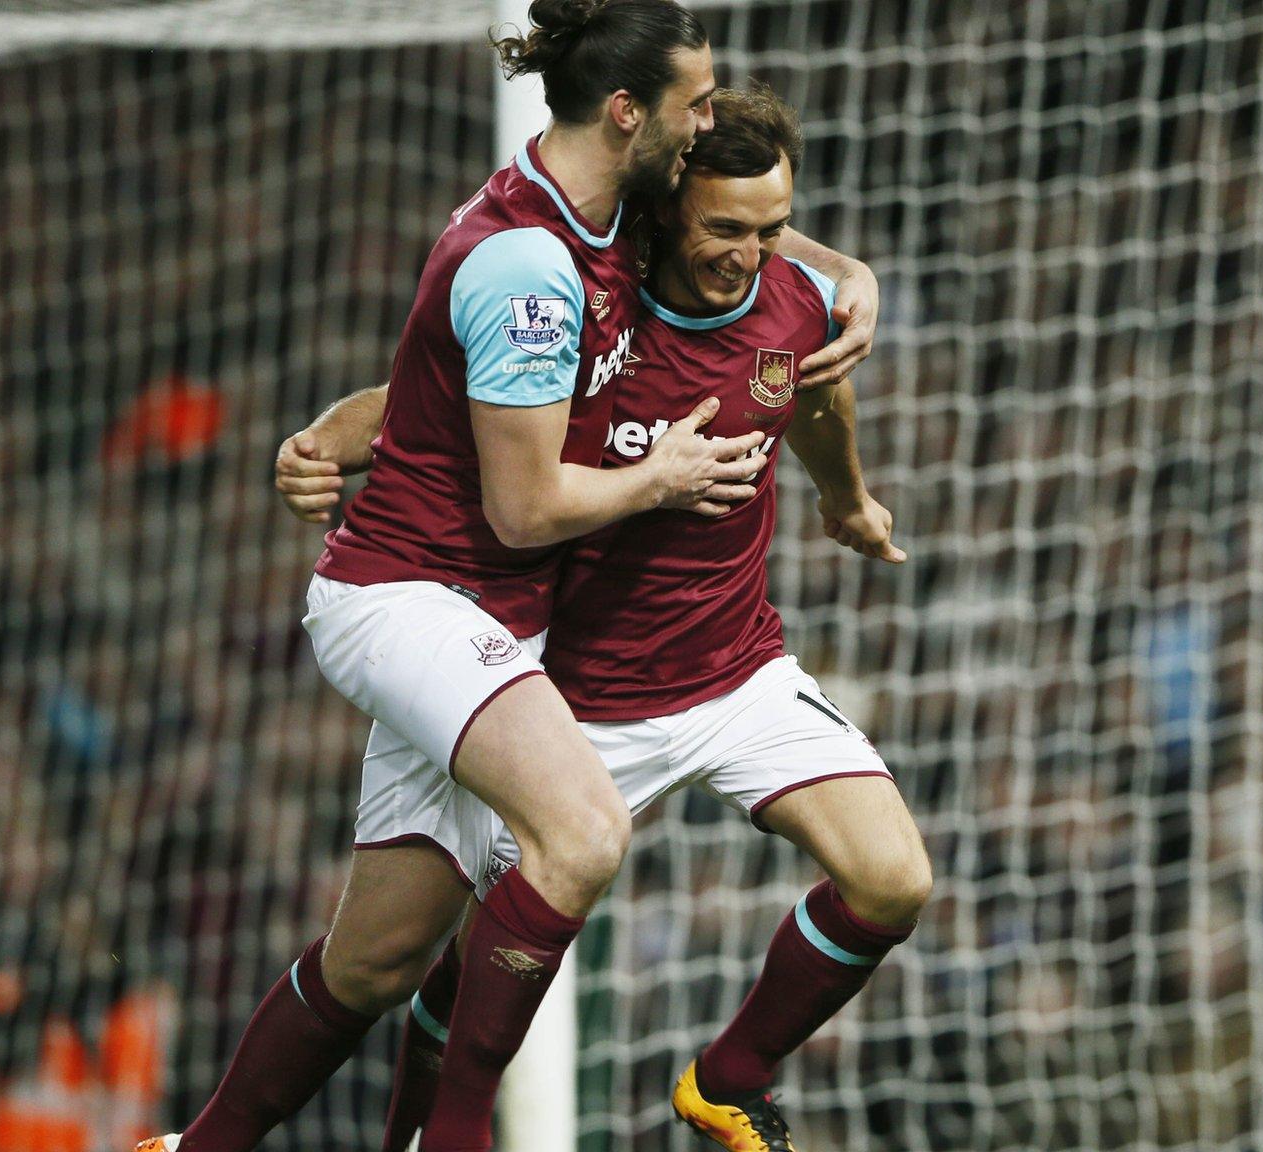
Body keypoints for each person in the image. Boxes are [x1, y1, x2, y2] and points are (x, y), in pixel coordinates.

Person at [145, 3, 880, 1150]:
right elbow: (525, 504)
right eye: (693, 106)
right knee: (582, 832)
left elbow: (435, 388)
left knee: (379, 956)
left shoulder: (584, 215)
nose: (706, 126)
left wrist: (842, 271)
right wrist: (665, 475)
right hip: (417, 597)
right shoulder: (534, 265)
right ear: (628, 114)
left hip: (481, 615)